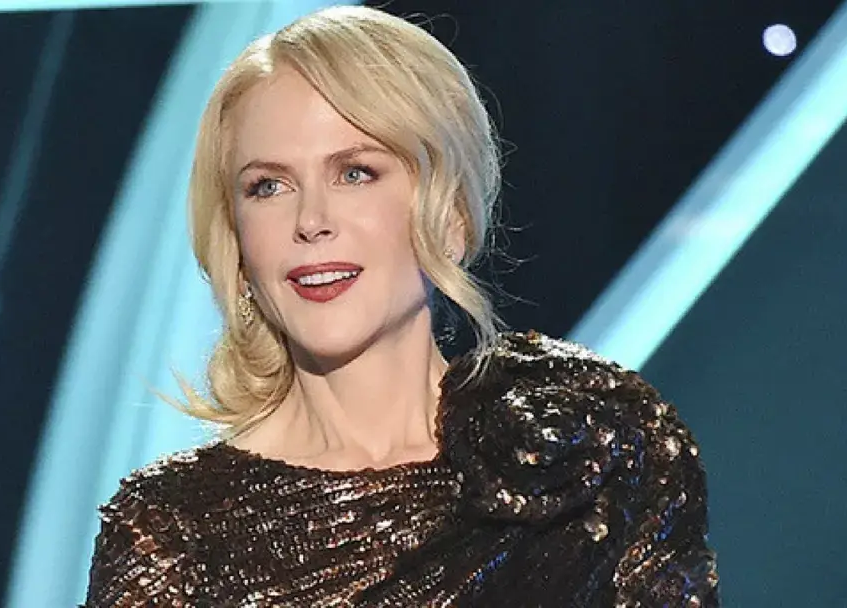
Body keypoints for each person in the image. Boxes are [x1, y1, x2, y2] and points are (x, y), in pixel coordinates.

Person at [82, 6, 718, 606]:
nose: (310, 221)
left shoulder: (591, 443)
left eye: (355, 173)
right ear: (239, 244)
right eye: (268, 186)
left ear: (450, 215)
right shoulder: (173, 533)